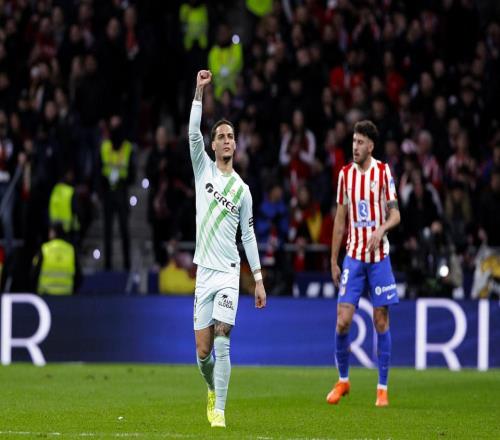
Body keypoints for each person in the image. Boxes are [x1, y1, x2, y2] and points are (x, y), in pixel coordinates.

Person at [189, 70, 266, 428]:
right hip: (204, 272)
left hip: (228, 273)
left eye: (230, 137)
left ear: (235, 146)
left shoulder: (242, 191)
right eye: (220, 136)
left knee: (222, 341)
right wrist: (199, 92)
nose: (225, 141)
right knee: (203, 353)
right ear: (213, 145)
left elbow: (248, 236)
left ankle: (219, 410)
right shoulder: (202, 170)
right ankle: (211, 388)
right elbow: (192, 133)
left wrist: (259, 279)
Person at [327, 120, 400, 407]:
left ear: (371, 146)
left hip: (379, 258)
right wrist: (333, 260)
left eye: (360, 142)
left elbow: (396, 215)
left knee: (380, 319)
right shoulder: (345, 175)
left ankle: (382, 388)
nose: (355, 147)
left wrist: (381, 229)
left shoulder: (383, 172)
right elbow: (340, 220)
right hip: (354, 258)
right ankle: (343, 381)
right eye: (353, 141)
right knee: (342, 320)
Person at [31, 222, 81, 295]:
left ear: (53, 233)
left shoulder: (44, 249)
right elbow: (79, 276)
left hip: (45, 295)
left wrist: (35, 291)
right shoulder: (71, 250)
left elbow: (34, 273)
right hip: (66, 295)